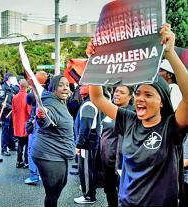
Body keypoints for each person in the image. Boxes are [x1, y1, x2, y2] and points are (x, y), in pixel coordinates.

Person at [87, 23, 188, 206]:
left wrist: (170, 53)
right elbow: (97, 98)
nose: (140, 99)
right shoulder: (129, 119)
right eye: (138, 93)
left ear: (162, 102)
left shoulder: (171, 127)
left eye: (148, 95)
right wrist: (93, 60)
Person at [32, 75, 75, 207]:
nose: (65, 88)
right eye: (61, 85)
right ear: (53, 88)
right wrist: (43, 115)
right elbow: (46, 118)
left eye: (67, 85)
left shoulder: (60, 101)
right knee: (53, 192)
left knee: (61, 184)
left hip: (59, 152)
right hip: (48, 154)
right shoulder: (49, 103)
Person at [100, 85, 133, 207]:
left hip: (121, 163)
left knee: (124, 193)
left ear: (130, 97)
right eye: (116, 91)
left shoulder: (131, 114)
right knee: (109, 190)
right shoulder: (110, 110)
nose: (117, 94)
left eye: (122, 92)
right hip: (106, 160)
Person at [73, 85, 101, 204]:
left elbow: (85, 128)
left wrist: (79, 145)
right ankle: (88, 187)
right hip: (90, 141)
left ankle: (89, 196)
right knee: (89, 168)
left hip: (87, 143)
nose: (80, 89)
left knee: (86, 169)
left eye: (82, 87)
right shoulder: (91, 102)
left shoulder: (88, 104)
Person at [24, 71, 48, 185]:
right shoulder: (49, 92)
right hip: (46, 126)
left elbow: (28, 101)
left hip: (36, 125)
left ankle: (34, 176)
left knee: (32, 150)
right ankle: (44, 175)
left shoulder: (34, 92)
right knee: (44, 151)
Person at [12, 79, 32, 168]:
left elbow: (13, 111)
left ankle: (18, 161)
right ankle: (26, 161)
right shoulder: (27, 96)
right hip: (26, 123)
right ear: (26, 87)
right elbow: (29, 111)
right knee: (28, 144)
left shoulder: (14, 97)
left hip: (18, 124)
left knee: (20, 143)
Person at [0, 72, 19, 156]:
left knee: (11, 130)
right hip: (6, 113)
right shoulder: (3, 88)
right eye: (12, 78)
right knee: (5, 131)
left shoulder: (11, 87)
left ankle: (11, 145)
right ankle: (4, 149)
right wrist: (11, 107)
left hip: (11, 112)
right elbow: (2, 102)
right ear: (8, 79)